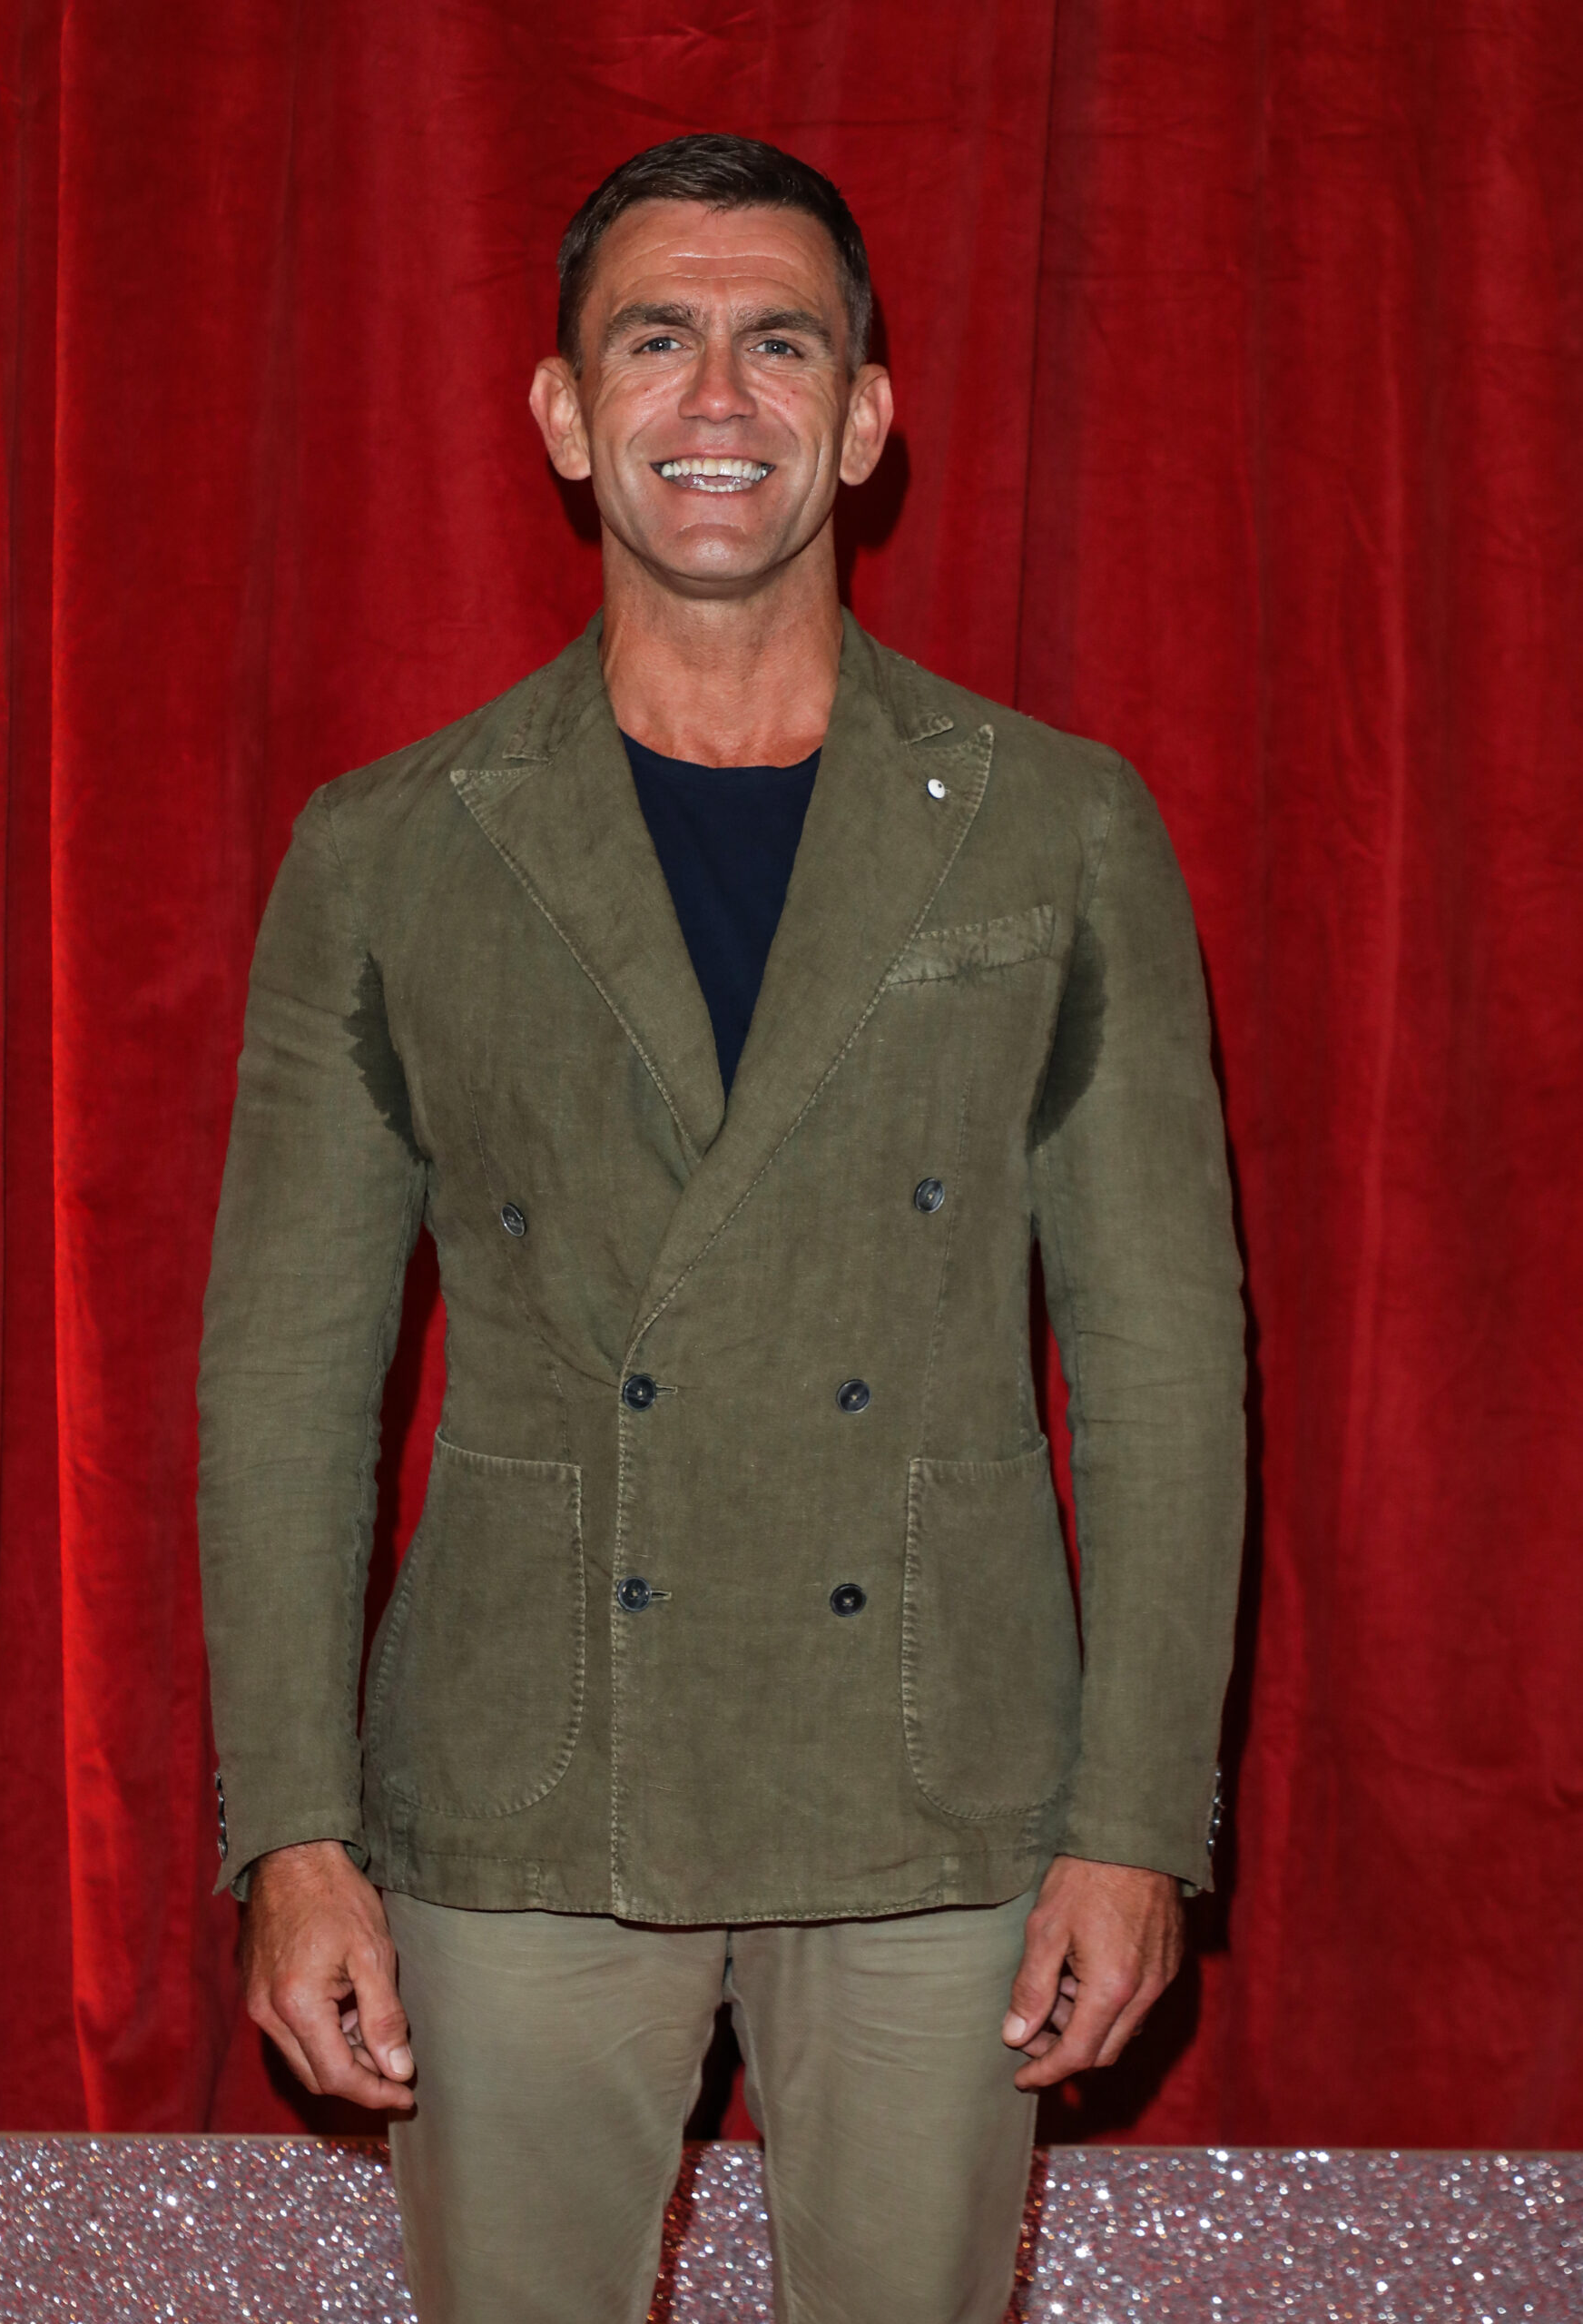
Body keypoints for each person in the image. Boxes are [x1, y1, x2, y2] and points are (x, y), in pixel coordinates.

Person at [197, 133, 1245, 2324]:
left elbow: (1163, 1361)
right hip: (526, 1779)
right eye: (653, 338)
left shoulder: (1057, 828)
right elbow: (285, 1378)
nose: (716, 396)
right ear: (564, 413)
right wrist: (293, 1831)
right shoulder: (391, 850)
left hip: (939, 1776)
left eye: (782, 344)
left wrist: (1136, 1815)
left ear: (864, 420)